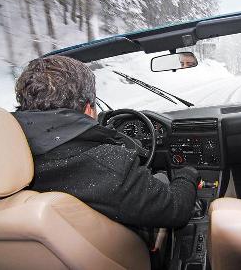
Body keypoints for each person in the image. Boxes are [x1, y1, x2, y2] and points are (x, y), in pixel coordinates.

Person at [13, 56, 199, 231]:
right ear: (88, 109)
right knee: (162, 180)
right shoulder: (108, 164)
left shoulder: (5, 157)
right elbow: (176, 210)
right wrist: (187, 173)